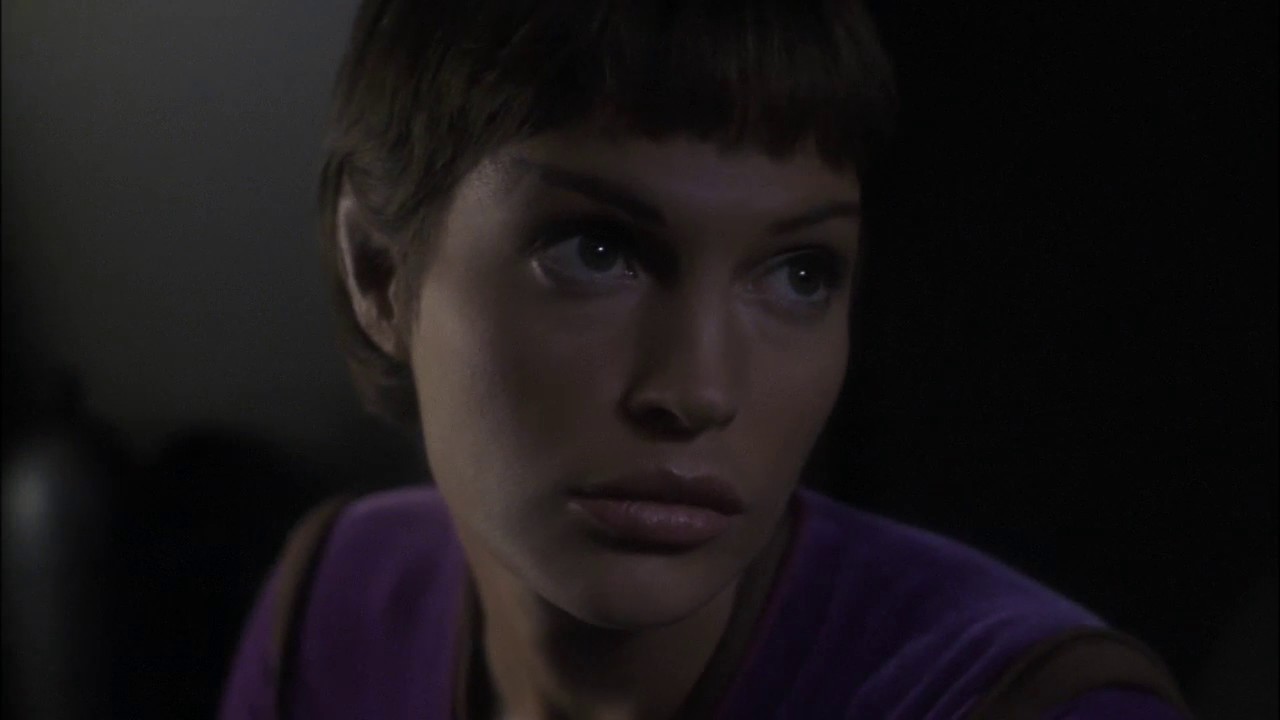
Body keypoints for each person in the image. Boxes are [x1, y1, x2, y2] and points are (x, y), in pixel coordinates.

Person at [220, 1, 1193, 717]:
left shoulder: (1031, 705)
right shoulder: (338, 601)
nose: (697, 390)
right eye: (594, 251)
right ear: (378, 271)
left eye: (800, 274)